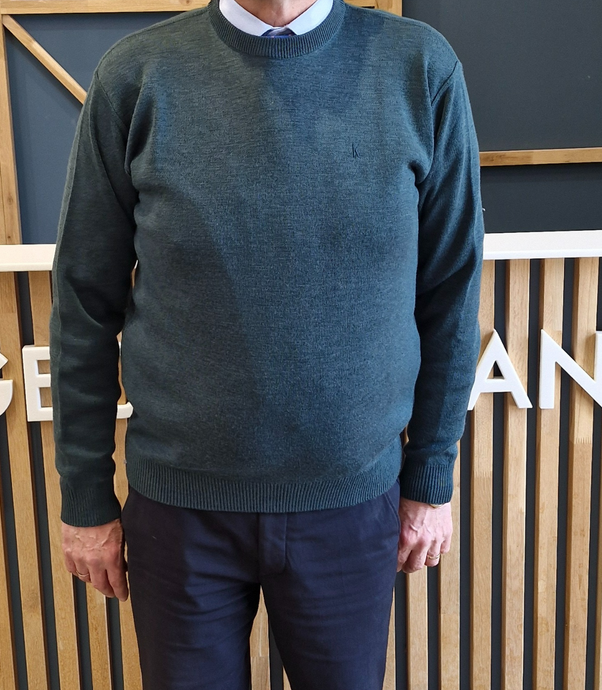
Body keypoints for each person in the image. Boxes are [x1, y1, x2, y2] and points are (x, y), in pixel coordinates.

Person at [50, 0, 484, 686]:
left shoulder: (418, 68)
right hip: (180, 513)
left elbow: (451, 291)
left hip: (350, 508)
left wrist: (432, 477)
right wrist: (85, 497)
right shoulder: (136, 76)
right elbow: (83, 301)